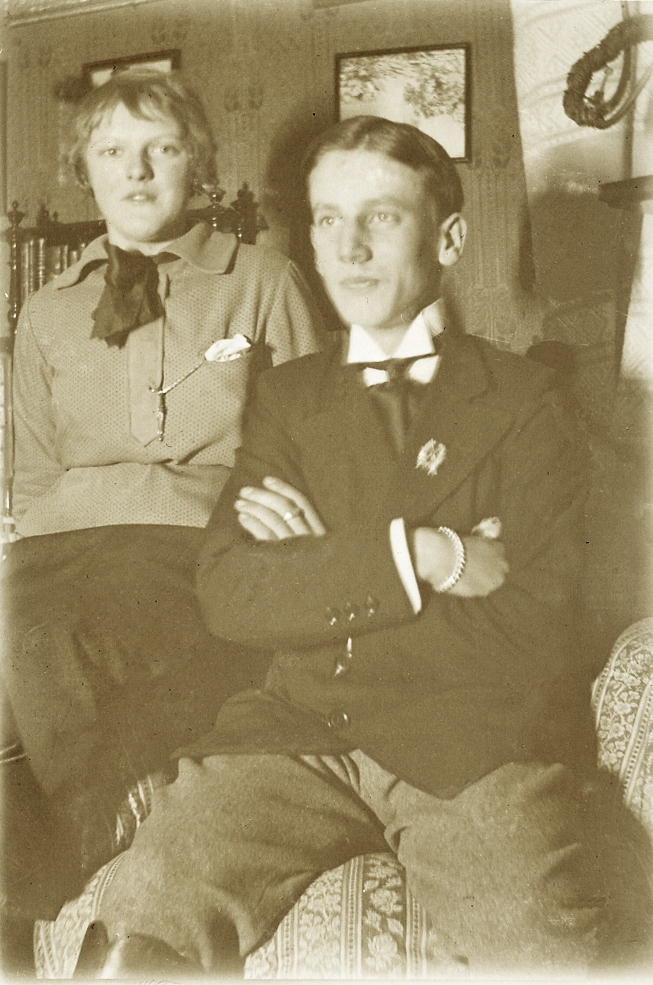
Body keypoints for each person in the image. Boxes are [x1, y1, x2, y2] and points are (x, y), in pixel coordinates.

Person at [77, 116, 651, 977]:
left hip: (470, 745)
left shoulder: (529, 401)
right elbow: (229, 592)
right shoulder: (287, 396)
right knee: (142, 913)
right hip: (290, 735)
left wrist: (316, 564)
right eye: (327, 220)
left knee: (540, 940)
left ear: (447, 239)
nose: (347, 248)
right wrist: (417, 554)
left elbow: (536, 620)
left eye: (379, 217)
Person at [0, 69, 324, 923]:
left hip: (195, 549)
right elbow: (33, 475)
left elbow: (318, 452)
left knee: (44, 640)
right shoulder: (46, 311)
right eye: (112, 151)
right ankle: (27, 885)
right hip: (57, 550)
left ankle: (76, 837)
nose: (136, 171)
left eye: (162, 148)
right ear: (85, 168)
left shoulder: (262, 281)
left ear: (198, 163)